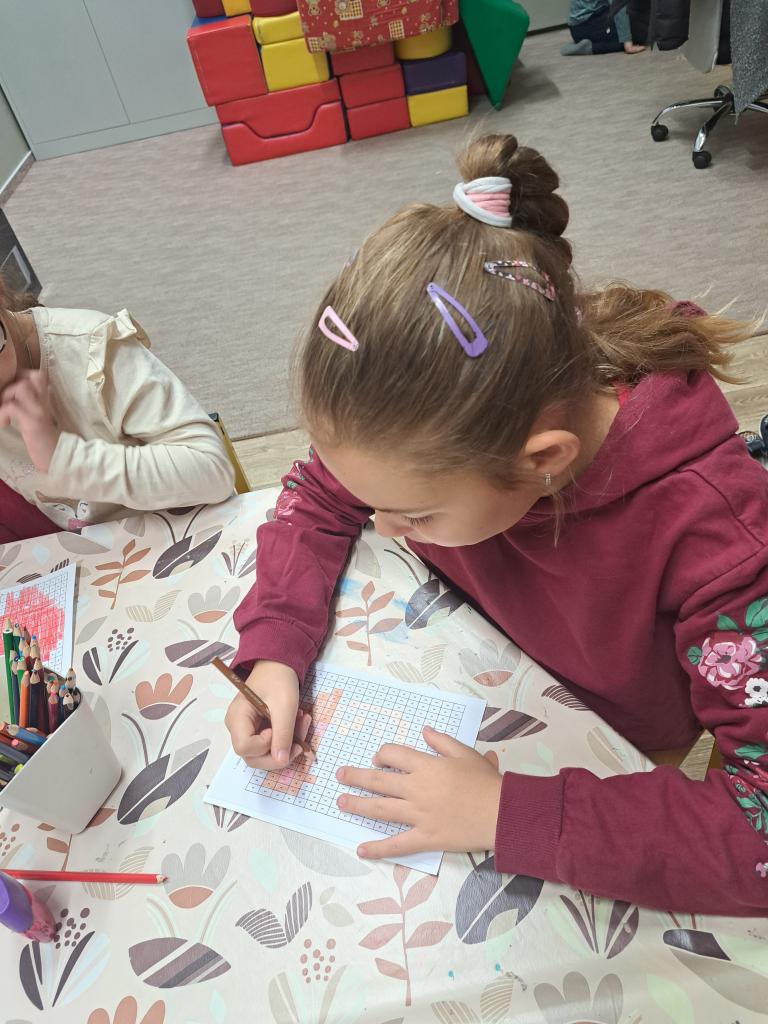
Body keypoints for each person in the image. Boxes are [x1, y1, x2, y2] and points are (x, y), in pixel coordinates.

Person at [225, 133, 768, 915]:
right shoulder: (440, 431)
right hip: (490, 676)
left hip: (609, 756)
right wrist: (275, 649)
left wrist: (505, 812)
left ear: (543, 460)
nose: (386, 527)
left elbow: (755, 826)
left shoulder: (721, 541)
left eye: (416, 514)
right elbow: (317, 494)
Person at [0, 281, 234, 540]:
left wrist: (64, 458)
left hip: (199, 534)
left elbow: (212, 471)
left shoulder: (91, 349)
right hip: (103, 554)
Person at [561, 0, 646, 54]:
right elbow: (618, 5)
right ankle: (589, 48)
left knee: (639, 21)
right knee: (639, 33)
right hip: (585, 25)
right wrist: (627, 42)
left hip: (596, 14)